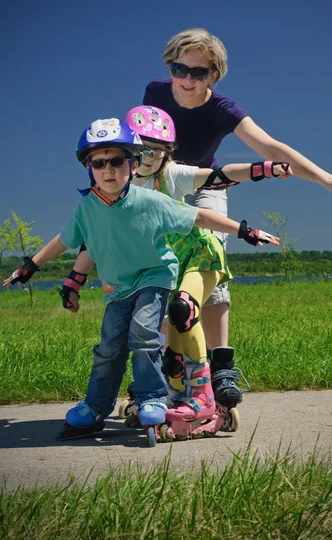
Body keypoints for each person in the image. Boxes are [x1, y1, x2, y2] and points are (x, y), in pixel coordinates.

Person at [3, 117, 277, 444]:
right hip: (118, 287)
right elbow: (69, 241)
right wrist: (32, 266)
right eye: (99, 162)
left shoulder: (150, 200)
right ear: (89, 167)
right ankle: (96, 407)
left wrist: (244, 230)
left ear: (131, 166)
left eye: (117, 161)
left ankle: (152, 397)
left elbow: (199, 216)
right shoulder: (87, 208)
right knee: (108, 348)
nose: (108, 169)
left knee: (145, 334)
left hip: (155, 276)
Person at [140, 27, 332, 397]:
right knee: (161, 272)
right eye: (181, 69)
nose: (187, 80)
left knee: (210, 264)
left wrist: (327, 180)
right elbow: (141, 138)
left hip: (206, 185)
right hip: (161, 187)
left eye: (200, 73)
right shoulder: (155, 92)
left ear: (214, 75)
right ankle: (162, 367)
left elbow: (272, 147)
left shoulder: (223, 110)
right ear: (170, 66)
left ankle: (221, 366)